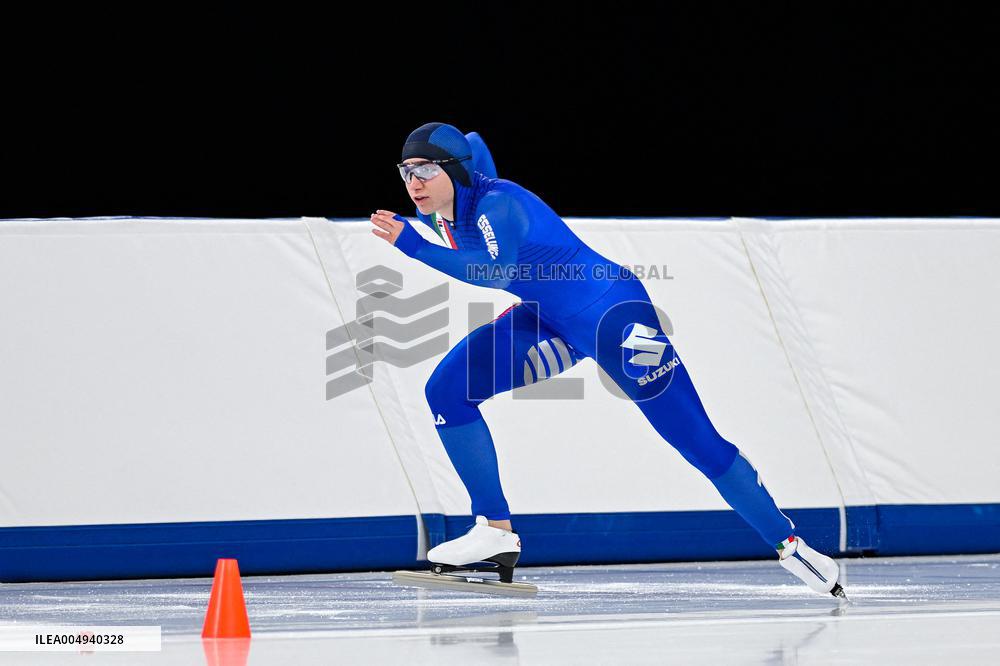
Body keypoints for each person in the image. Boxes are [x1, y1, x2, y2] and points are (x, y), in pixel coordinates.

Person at [370, 122, 844, 597]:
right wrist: (453, 158)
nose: (414, 182)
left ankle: (789, 544)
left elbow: (497, 272)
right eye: (407, 170)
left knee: (695, 439)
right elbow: (474, 142)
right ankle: (494, 530)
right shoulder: (441, 204)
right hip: (547, 318)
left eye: (427, 169)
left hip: (613, 316)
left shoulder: (499, 205)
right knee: (447, 392)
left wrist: (411, 246)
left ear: (456, 171)